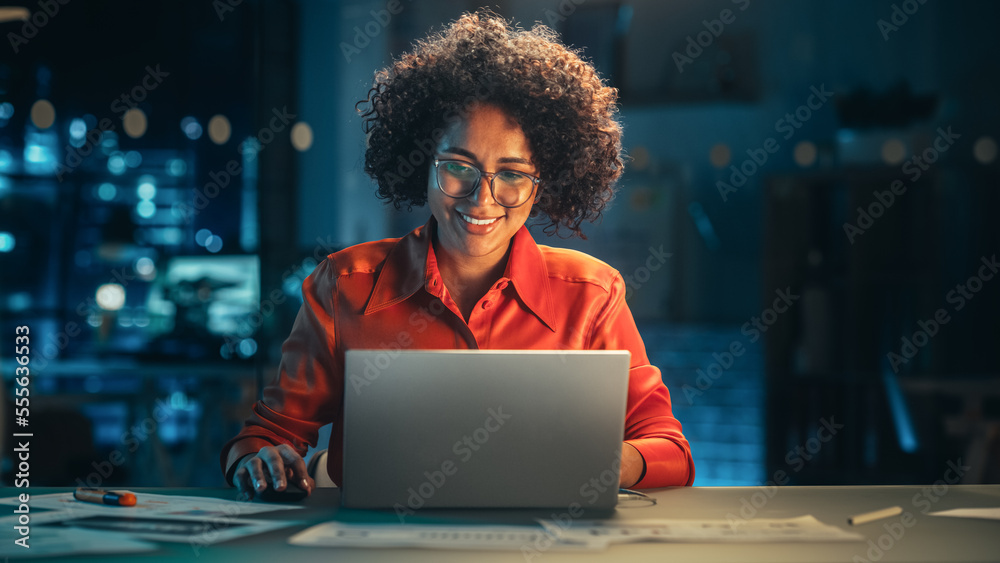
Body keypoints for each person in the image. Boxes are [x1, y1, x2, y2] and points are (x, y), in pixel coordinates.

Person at [221, 9, 694, 498]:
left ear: (542, 184)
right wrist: (260, 461)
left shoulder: (593, 295)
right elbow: (265, 438)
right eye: (457, 166)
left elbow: (671, 450)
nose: (481, 198)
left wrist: (605, 462)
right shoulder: (345, 285)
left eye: (512, 174)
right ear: (422, 165)